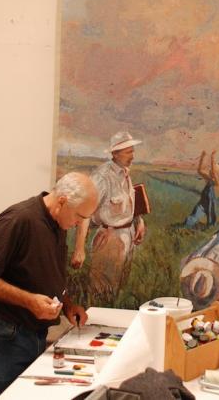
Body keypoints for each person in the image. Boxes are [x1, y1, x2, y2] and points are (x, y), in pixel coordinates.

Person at [0, 172, 98, 400]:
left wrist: (67, 305)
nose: (78, 224)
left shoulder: (58, 222)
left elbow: (46, 272)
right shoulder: (19, 219)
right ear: (63, 201)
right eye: (79, 217)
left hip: (29, 333)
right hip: (1, 333)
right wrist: (29, 300)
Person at [71, 131, 146, 306]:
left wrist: (139, 221)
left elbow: (128, 202)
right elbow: (85, 212)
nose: (132, 156)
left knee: (119, 287)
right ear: (115, 154)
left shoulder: (124, 173)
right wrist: (79, 249)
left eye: (132, 151)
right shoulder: (102, 177)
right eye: (128, 152)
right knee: (102, 291)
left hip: (128, 236)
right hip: (109, 239)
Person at [184, 149, 219, 228]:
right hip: (203, 203)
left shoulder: (217, 180)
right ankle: (188, 225)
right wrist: (202, 157)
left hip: (210, 203)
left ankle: (210, 227)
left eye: (212, 171)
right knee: (191, 219)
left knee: (211, 222)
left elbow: (213, 172)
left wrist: (212, 158)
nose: (210, 172)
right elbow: (200, 170)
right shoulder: (209, 179)